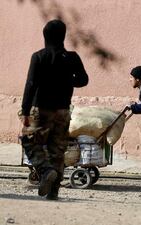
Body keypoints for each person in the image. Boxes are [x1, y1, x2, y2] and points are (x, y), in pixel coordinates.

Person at [20, 19, 89, 200]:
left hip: (40, 109)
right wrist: (66, 81)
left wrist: (25, 110)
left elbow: (31, 84)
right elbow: (83, 80)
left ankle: (45, 170)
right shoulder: (72, 57)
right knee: (57, 151)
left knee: (29, 141)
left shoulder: (39, 56)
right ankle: (53, 192)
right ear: (63, 36)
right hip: (63, 111)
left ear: (45, 37)